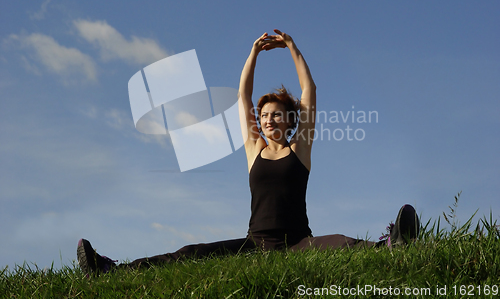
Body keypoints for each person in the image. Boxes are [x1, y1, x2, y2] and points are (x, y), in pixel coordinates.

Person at [77, 30, 419, 275]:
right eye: (265, 115)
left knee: (343, 242)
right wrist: (253, 53)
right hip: (255, 243)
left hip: (298, 242)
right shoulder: (254, 149)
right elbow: (243, 97)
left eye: (276, 115)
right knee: (188, 252)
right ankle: (109, 268)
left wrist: (292, 47)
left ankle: (392, 244)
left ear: (289, 121)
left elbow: (309, 90)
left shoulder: (300, 149)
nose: (268, 119)